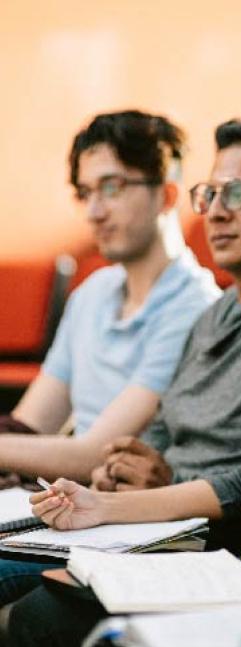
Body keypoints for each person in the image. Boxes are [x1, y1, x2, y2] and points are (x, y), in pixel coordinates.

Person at [0, 120, 241, 607]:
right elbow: (158, 431)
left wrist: (120, 491)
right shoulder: (213, 314)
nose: (215, 212)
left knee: (35, 608)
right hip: (130, 516)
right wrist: (120, 467)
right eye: (209, 194)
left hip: (192, 533)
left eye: (236, 194)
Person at [0, 110, 219, 482]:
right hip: (68, 504)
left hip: (138, 516)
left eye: (112, 187)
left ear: (166, 195)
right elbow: (31, 426)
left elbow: (98, 452)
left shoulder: (197, 306)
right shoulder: (91, 293)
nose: (95, 212)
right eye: (86, 193)